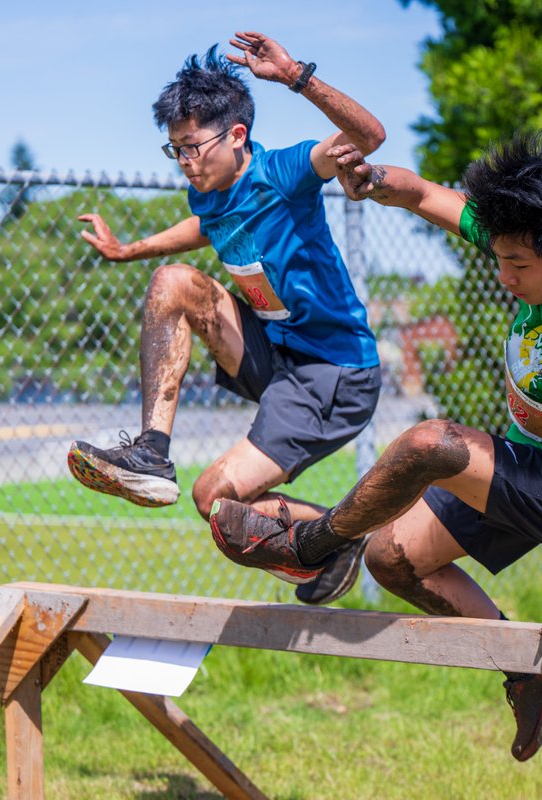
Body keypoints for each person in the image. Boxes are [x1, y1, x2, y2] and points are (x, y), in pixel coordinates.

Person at [208, 132, 542, 761]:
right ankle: (529, 675)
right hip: (532, 460)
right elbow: (431, 196)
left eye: (518, 267)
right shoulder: (534, 237)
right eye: (499, 259)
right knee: (392, 560)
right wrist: (380, 182)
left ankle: (311, 546)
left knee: (432, 443)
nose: (504, 277)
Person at [67, 32, 385, 606]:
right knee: (172, 282)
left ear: (237, 135)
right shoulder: (209, 193)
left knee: (215, 499)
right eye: (175, 151)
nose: (186, 163)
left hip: (334, 373)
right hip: (275, 355)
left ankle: (338, 537)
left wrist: (295, 76)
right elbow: (203, 227)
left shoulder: (286, 172)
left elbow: (369, 136)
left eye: (193, 147)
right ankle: (151, 453)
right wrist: (128, 250)